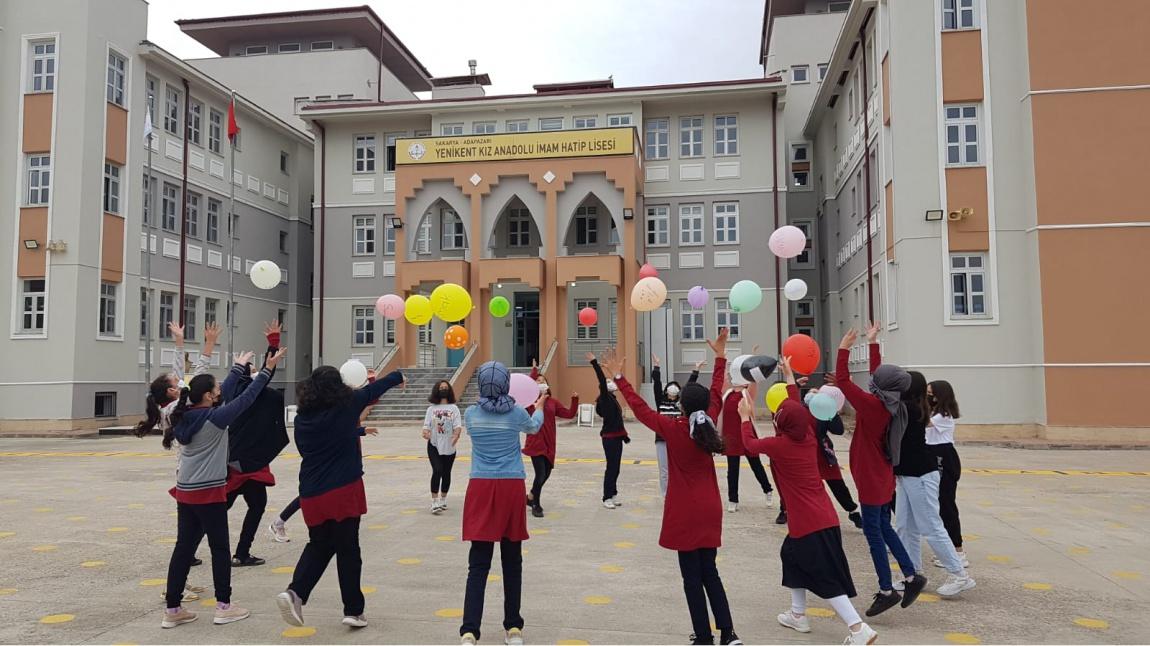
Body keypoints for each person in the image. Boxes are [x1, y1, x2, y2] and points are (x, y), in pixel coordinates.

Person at [609, 331, 744, 646]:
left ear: (681, 404)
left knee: (691, 579)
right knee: (710, 572)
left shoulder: (672, 428)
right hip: (710, 509)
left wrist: (618, 377)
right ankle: (728, 633)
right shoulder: (708, 423)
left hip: (685, 512)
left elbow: (640, 408)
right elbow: (715, 391)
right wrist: (720, 357)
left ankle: (703, 637)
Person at [738, 358, 877, 646]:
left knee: (825, 578)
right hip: (823, 517)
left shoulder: (779, 445)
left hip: (807, 523)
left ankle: (857, 628)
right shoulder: (808, 436)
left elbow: (750, 445)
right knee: (791, 557)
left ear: (781, 423)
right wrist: (789, 376)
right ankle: (798, 614)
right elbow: (797, 409)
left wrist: (743, 417)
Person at [160, 346, 286, 629]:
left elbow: (227, 392)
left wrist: (239, 368)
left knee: (183, 548)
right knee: (219, 548)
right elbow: (246, 397)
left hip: (185, 491)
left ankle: (172, 609)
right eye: (215, 389)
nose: (219, 391)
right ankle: (224, 606)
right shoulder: (215, 419)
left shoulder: (184, 415)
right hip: (208, 492)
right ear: (208, 396)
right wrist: (266, 369)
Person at [275, 365, 404, 630]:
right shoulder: (348, 405)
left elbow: (328, 438)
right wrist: (397, 376)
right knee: (348, 550)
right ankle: (353, 611)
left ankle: (295, 592)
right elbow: (374, 389)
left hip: (311, 493)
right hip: (342, 489)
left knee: (319, 544)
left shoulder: (302, 418)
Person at [836, 323, 926, 618]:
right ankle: (912, 576)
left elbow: (842, 380)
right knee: (884, 527)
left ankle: (887, 590)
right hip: (882, 475)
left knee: (874, 534)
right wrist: (873, 343)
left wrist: (844, 348)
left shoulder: (873, 405)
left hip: (872, 477)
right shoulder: (893, 401)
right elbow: (880, 378)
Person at [458, 361, 547, 646]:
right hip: (511, 485)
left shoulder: (471, 414)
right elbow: (533, 428)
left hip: (481, 485)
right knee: (512, 560)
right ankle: (513, 628)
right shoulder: (517, 412)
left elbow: (481, 416)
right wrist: (541, 405)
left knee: (478, 563)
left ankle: (470, 631)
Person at [137, 322, 219, 599]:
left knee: (191, 537)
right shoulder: (177, 408)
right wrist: (204, 346)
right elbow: (196, 376)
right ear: (172, 392)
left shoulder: (173, 403)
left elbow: (183, 373)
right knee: (191, 538)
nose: (178, 380)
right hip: (194, 478)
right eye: (175, 383)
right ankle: (176, 587)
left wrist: (181, 342)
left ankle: (179, 582)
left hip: (189, 476)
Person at [891, 372, 976, 599]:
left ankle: (959, 575)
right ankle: (913, 573)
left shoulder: (913, 410)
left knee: (930, 525)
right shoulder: (912, 408)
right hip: (904, 474)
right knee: (904, 525)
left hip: (920, 474)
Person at [224, 323, 290, 567]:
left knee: (237, 505)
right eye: (250, 369)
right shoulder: (248, 392)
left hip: (236, 459)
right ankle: (240, 553)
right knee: (237, 506)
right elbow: (266, 372)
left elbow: (264, 372)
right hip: (246, 461)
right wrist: (272, 344)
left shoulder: (232, 392)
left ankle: (240, 553)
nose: (256, 372)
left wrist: (272, 344)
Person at [719, 358, 774, 513]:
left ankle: (767, 490)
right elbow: (722, 381)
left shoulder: (746, 392)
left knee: (755, 465)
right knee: (732, 469)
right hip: (731, 436)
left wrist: (754, 363)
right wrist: (724, 364)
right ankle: (733, 499)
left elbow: (754, 381)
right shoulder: (728, 393)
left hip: (746, 433)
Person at [807, 378, 863, 529]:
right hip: (805, 452)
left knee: (837, 483)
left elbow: (838, 430)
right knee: (806, 485)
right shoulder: (804, 407)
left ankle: (853, 511)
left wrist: (832, 412)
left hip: (823, 452)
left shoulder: (825, 410)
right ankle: (787, 510)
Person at [523, 361, 578, 518]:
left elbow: (569, 414)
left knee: (547, 473)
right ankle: (536, 505)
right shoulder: (529, 403)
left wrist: (574, 400)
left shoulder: (553, 402)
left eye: (543, 381)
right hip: (535, 443)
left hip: (549, 443)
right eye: (538, 381)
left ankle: (530, 496)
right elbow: (527, 384)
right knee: (540, 474)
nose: (540, 383)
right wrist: (534, 371)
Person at [926, 380, 966, 567]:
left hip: (944, 457)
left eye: (930, 394)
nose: (927, 397)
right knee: (938, 505)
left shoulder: (943, 415)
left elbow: (924, 424)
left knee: (946, 504)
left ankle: (958, 551)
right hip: (934, 456)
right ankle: (948, 550)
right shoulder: (935, 412)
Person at [650, 354, 701, 496]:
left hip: (678, 438)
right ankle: (666, 494)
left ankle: (679, 491)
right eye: (670, 387)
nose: (672, 388)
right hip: (662, 439)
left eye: (676, 387)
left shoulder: (681, 402)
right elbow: (657, 384)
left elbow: (689, 386)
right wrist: (656, 366)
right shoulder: (660, 401)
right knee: (664, 469)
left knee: (679, 466)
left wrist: (695, 371)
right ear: (666, 390)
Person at [587, 350, 630, 509]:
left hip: (617, 437)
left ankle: (613, 493)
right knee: (611, 467)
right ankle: (606, 497)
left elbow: (618, 420)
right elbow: (600, 379)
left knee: (616, 467)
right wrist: (595, 363)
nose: (611, 382)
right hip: (610, 438)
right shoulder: (605, 398)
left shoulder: (613, 399)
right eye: (607, 382)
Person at [423, 380, 463, 514]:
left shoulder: (454, 408)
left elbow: (457, 425)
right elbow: (426, 426)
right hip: (434, 444)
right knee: (437, 470)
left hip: (449, 445)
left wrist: (456, 435)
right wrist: (426, 432)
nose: (443, 389)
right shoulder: (431, 409)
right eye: (441, 388)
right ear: (436, 390)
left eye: (446, 388)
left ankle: (443, 498)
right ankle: (434, 502)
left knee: (446, 472)